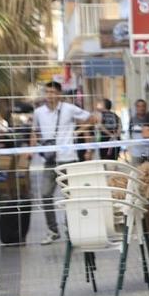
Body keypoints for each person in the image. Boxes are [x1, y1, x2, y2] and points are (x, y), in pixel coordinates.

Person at [29, 82, 97, 244]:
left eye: (53, 92)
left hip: (69, 159)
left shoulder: (69, 108)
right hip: (50, 160)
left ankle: (71, 228)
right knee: (45, 194)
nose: (50, 95)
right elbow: (34, 132)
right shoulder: (39, 112)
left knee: (70, 196)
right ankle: (53, 230)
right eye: (47, 92)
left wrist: (77, 133)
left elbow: (92, 119)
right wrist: (31, 152)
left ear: (59, 94)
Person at [127, 99, 149, 165]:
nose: (141, 108)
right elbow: (130, 134)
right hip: (136, 153)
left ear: (146, 107)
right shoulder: (132, 119)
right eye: (139, 106)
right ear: (136, 107)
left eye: (143, 106)